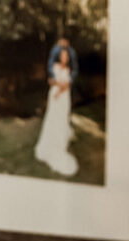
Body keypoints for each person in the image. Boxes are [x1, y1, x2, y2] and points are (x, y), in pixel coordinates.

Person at [33, 44, 78, 178]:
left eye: (66, 56)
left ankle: (60, 140)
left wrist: (60, 90)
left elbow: (67, 85)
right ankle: (50, 141)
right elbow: (51, 80)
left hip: (63, 96)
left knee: (62, 118)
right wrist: (57, 87)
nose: (64, 58)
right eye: (63, 55)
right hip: (54, 96)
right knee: (52, 118)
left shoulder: (68, 69)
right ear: (59, 56)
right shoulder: (55, 66)